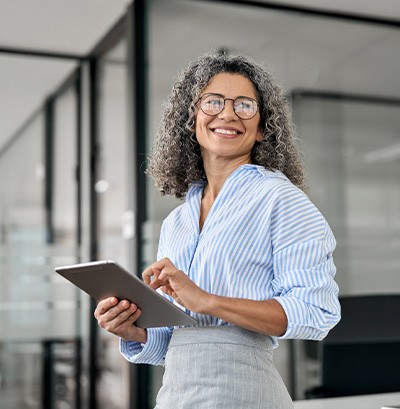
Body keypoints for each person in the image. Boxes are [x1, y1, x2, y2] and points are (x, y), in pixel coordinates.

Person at [94, 52, 341, 408]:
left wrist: (207, 300)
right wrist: (133, 329)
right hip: (177, 396)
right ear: (190, 118)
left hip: (245, 393)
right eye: (213, 102)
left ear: (262, 129)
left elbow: (316, 312)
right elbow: (179, 340)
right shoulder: (177, 221)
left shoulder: (280, 199)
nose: (227, 114)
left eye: (244, 105)